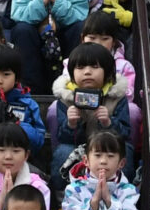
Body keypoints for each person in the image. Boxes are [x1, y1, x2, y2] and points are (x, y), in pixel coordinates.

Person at [49, 41, 135, 171]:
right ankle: (64, 189)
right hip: (78, 146)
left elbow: (125, 133)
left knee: (126, 150)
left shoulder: (116, 97)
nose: (87, 72)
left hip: (108, 146)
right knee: (63, 151)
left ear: (107, 72)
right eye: (80, 67)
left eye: (95, 67)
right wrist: (71, 124)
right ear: (71, 73)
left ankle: (120, 187)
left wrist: (108, 122)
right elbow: (62, 137)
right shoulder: (66, 98)